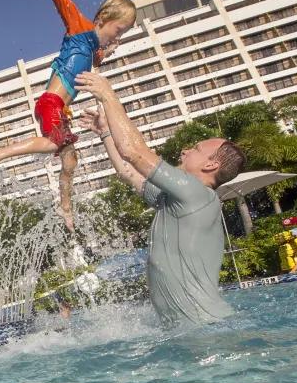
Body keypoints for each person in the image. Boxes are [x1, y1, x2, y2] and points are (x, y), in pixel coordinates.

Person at [0, 0, 137, 232]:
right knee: (54, 143)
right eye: (118, 30)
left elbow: (94, 62)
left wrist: (105, 53)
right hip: (51, 102)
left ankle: (66, 209)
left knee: (70, 160)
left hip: (62, 110)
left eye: (123, 34)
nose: (118, 37)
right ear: (102, 19)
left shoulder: (96, 49)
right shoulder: (80, 28)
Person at [75, 70, 246, 324]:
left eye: (197, 149)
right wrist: (106, 134)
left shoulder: (196, 192)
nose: (186, 150)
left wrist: (107, 94)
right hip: (189, 329)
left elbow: (133, 151)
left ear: (211, 166)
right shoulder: (176, 200)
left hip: (205, 328)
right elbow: (127, 172)